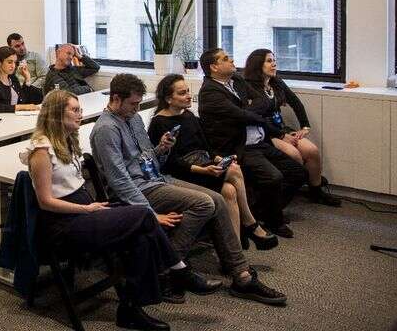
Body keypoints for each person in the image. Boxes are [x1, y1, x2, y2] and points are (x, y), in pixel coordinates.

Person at [90, 73, 286, 306]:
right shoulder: (106, 130)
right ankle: (171, 267)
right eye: (133, 103)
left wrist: (162, 149)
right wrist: (149, 213)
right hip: (139, 189)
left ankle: (240, 274)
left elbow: (147, 158)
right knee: (204, 203)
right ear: (115, 98)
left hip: (157, 179)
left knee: (217, 199)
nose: (136, 108)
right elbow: (120, 181)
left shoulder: (133, 119)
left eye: (138, 103)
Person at [23, 90, 177, 331]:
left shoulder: (65, 140)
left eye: (80, 109)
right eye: (74, 110)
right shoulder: (41, 151)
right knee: (143, 215)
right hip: (63, 225)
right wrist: (86, 209)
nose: (80, 114)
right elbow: (46, 202)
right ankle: (178, 269)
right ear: (56, 113)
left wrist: (89, 208)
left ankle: (131, 308)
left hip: (82, 212)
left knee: (141, 236)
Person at [148, 75, 278, 250]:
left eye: (188, 91)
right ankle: (250, 224)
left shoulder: (188, 115)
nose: (188, 96)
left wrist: (218, 159)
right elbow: (170, 164)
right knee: (234, 170)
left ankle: (235, 247)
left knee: (229, 190)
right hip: (184, 172)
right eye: (182, 93)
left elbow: (206, 146)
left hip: (202, 163)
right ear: (169, 99)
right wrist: (204, 170)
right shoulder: (159, 123)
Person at [197, 48, 308, 238]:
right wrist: (248, 112)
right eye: (226, 58)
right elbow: (245, 114)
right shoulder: (210, 92)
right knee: (274, 177)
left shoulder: (236, 79)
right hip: (238, 147)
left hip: (258, 141)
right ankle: (274, 221)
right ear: (214, 67)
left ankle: (263, 212)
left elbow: (264, 102)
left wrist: (247, 111)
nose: (232, 60)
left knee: (298, 173)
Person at [242, 49, 340, 207]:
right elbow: (254, 119)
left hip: (281, 128)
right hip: (266, 133)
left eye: (274, 60)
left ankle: (315, 191)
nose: (274, 64)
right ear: (257, 64)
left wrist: (305, 127)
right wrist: (281, 136)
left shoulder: (276, 82)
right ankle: (285, 193)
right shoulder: (247, 87)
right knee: (294, 154)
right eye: (269, 61)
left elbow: (296, 103)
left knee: (312, 151)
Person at [0, 46, 42, 116]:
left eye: (15, 62)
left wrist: (27, 79)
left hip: (13, 117)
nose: (13, 66)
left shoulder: (12, 78)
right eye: (10, 62)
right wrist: (22, 107)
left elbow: (23, 99)